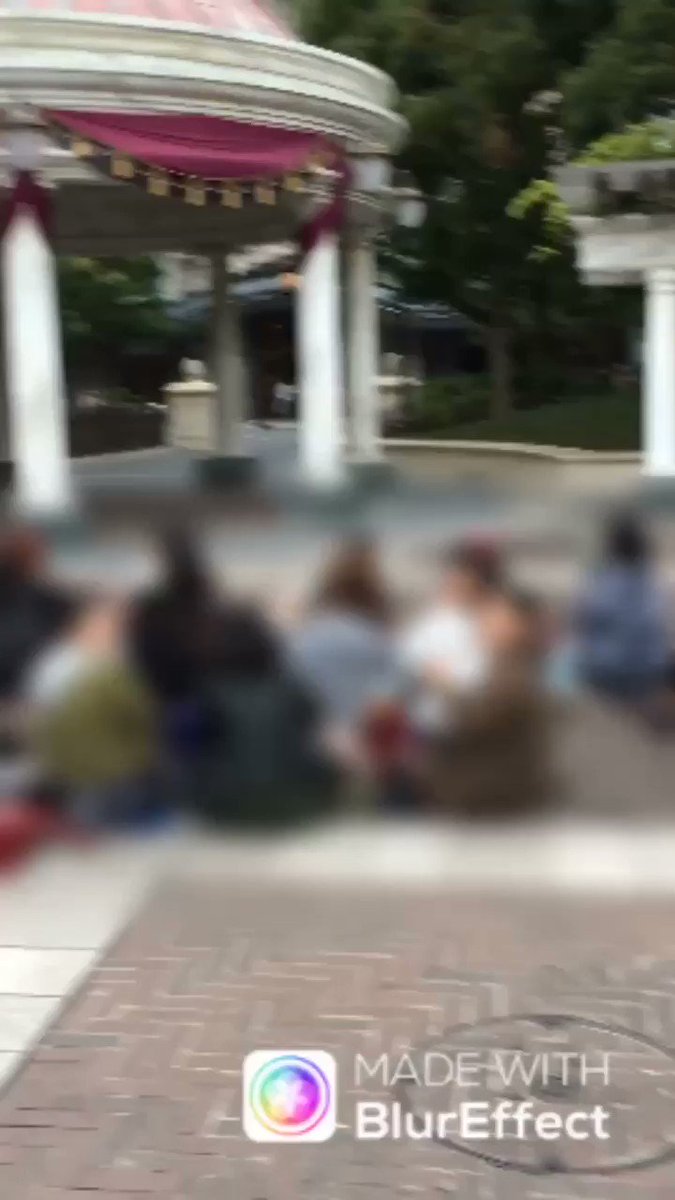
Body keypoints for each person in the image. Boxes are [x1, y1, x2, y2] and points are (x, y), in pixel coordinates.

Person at [26, 598, 160, 826]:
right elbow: (142, 717)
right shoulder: (102, 668)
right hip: (100, 771)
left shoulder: (55, 662)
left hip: (67, 765)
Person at [422, 587, 552, 819]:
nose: (484, 624)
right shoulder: (496, 665)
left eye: (495, 618)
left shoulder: (517, 672)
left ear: (519, 626)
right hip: (476, 795)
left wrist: (446, 685)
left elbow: (478, 717)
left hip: (494, 798)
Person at [399, 538, 503, 732]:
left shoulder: (485, 621)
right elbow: (408, 658)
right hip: (431, 720)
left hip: (460, 721)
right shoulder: (437, 619)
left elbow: (474, 679)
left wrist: (439, 676)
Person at [574, 514, 670, 703]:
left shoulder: (598, 581)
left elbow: (581, 623)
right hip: (647, 670)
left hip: (605, 670)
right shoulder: (653, 582)